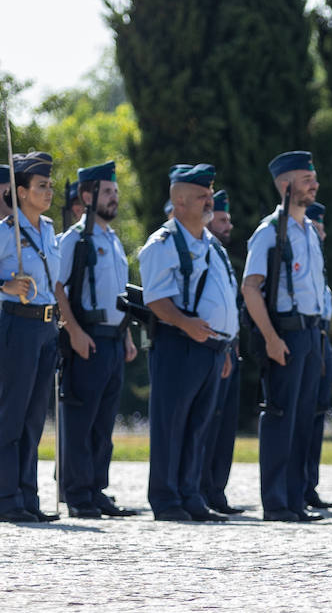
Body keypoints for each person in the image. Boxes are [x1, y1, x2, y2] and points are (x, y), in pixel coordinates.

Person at [137, 163, 238, 522]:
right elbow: (155, 298)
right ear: (178, 201)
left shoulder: (211, 244)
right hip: (179, 345)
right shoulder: (162, 245)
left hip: (211, 348)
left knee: (199, 426)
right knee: (172, 425)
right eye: (201, 195)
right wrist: (186, 323)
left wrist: (225, 346)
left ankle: (191, 495)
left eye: (209, 193)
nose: (209, 199)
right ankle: (166, 499)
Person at [242, 151, 328, 523]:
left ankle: (295, 499)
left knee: (304, 420)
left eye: (313, 178)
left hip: (311, 334)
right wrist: (271, 338)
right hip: (286, 334)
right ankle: (276, 502)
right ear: (285, 186)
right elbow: (251, 288)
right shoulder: (269, 231)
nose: (314, 185)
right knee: (280, 418)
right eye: (306, 179)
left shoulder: (308, 229)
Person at [54, 161, 139, 518]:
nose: (114, 198)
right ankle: (77, 494)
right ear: (86, 196)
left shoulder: (114, 240)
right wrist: (73, 330)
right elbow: (57, 287)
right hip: (86, 338)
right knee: (80, 421)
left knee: (103, 425)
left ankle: (96, 489)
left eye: (115, 192)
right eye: (107, 192)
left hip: (113, 340)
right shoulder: (74, 238)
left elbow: (118, 294)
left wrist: (128, 336)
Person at [0, 152, 63, 523]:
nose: (48, 191)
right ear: (21, 192)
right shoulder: (8, 232)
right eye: (41, 186)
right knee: (12, 414)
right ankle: (6, 497)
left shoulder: (50, 229)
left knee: (34, 418)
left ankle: (28, 497)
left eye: (49, 185)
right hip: (17, 325)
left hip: (45, 327)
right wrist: (4, 284)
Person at [200, 188, 246, 515]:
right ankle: (201, 489)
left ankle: (216, 490)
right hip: (208, 347)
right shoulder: (201, 249)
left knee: (223, 425)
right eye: (222, 218)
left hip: (227, 348)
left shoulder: (219, 252)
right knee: (206, 423)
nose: (228, 225)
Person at [304, 201, 332, 511]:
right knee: (302, 416)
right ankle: (298, 485)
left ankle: (308, 484)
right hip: (310, 336)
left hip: (322, 339)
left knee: (316, 416)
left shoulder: (318, 266)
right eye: (317, 226)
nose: (322, 232)